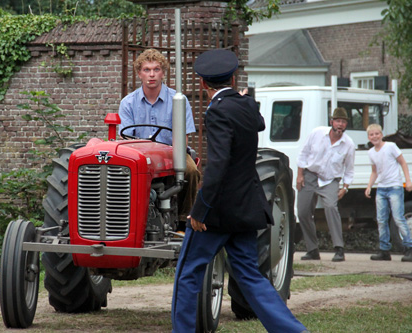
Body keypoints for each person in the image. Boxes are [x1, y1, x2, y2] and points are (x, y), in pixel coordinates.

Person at [171, 49, 307, 333]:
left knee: (187, 274)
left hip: (218, 214)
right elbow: (259, 123)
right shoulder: (246, 106)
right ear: (233, 78)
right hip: (246, 210)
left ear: (202, 84)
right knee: (251, 277)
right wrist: (247, 99)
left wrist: (199, 210)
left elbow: (218, 166)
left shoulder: (218, 111)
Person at [118, 48, 200, 225]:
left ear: (163, 72)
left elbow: (183, 137)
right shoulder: (128, 103)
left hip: (171, 153)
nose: (152, 74)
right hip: (138, 156)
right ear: (139, 73)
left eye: (156, 69)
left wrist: (175, 154)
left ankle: (184, 220)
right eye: (146, 70)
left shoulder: (178, 100)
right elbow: (126, 140)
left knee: (191, 170)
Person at [296, 107, 355, 262]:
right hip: (310, 175)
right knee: (302, 212)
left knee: (330, 207)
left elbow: (349, 170)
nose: (340, 124)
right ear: (331, 122)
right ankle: (312, 249)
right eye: (338, 121)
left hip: (330, 180)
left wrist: (345, 188)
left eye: (343, 122)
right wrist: (300, 175)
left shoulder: (348, 144)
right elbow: (303, 153)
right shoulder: (317, 133)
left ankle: (339, 248)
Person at [365, 124, 412, 262]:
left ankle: (410, 248)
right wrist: (369, 186)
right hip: (381, 189)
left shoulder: (391, 146)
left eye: (377, 133)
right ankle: (384, 250)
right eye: (372, 134)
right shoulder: (371, 152)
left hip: (394, 187)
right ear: (368, 137)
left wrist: (408, 180)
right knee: (381, 220)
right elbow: (374, 171)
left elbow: (403, 163)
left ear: (381, 134)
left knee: (398, 217)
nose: (375, 136)